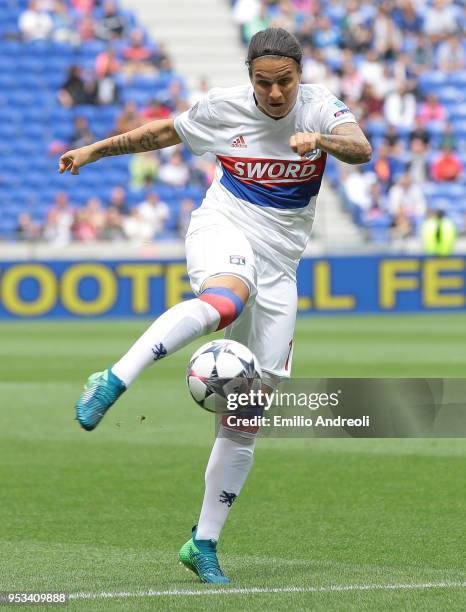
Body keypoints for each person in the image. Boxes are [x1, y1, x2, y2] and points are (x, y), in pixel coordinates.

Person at [58, 27, 371, 584]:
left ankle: (202, 543)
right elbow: (162, 133)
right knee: (226, 300)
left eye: (285, 82)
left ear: (300, 76)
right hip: (224, 224)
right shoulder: (223, 107)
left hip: (282, 263)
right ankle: (111, 377)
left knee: (249, 411)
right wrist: (96, 150)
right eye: (263, 82)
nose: (275, 94)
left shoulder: (322, 108)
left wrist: (320, 142)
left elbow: (362, 148)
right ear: (250, 77)